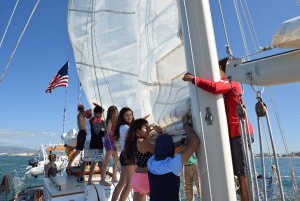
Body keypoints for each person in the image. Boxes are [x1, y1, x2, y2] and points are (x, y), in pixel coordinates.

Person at [182, 57, 254, 201]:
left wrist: (194, 79)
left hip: (239, 131)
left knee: (242, 173)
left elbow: (215, 88)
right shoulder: (229, 82)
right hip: (235, 132)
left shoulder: (231, 81)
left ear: (221, 69)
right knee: (238, 172)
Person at [147, 113, 200, 201]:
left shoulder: (151, 162)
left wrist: (182, 142)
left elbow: (165, 150)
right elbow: (195, 142)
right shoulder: (172, 165)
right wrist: (186, 125)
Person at [123, 119, 164, 201]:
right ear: (138, 131)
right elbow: (161, 150)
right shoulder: (143, 142)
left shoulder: (136, 142)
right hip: (145, 178)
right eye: (146, 128)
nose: (149, 130)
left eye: (149, 128)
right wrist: (160, 133)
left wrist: (148, 135)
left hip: (137, 178)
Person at [111, 107, 135, 201]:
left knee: (122, 183)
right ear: (122, 116)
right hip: (129, 155)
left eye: (130, 114)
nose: (129, 117)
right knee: (129, 185)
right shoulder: (126, 128)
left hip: (124, 154)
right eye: (126, 115)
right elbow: (135, 136)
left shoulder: (122, 127)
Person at [100, 106, 119, 186]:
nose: (116, 114)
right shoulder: (110, 120)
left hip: (113, 142)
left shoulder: (116, 121)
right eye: (114, 112)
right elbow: (108, 131)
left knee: (117, 160)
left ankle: (114, 177)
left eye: (117, 112)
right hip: (108, 141)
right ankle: (102, 180)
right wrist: (116, 134)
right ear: (111, 113)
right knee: (107, 160)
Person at [87, 105, 106, 185]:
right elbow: (100, 133)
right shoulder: (95, 122)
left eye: (101, 113)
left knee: (100, 162)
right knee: (95, 162)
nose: (101, 114)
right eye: (99, 113)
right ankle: (89, 181)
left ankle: (102, 179)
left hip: (98, 144)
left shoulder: (97, 121)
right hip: (95, 144)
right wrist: (104, 126)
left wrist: (103, 125)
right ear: (95, 113)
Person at [66, 104, 87, 174]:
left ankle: (69, 165)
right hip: (83, 133)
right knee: (88, 149)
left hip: (80, 133)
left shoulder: (78, 115)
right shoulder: (83, 114)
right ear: (82, 108)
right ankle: (88, 165)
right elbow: (91, 113)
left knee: (78, 151)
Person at [78, 109, 92, 183]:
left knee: (85, 160)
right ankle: (91, 178)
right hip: (92, 142)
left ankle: (82, 177)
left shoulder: (86, 122)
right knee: (96, 159)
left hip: (87, 141)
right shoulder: (92, 121)